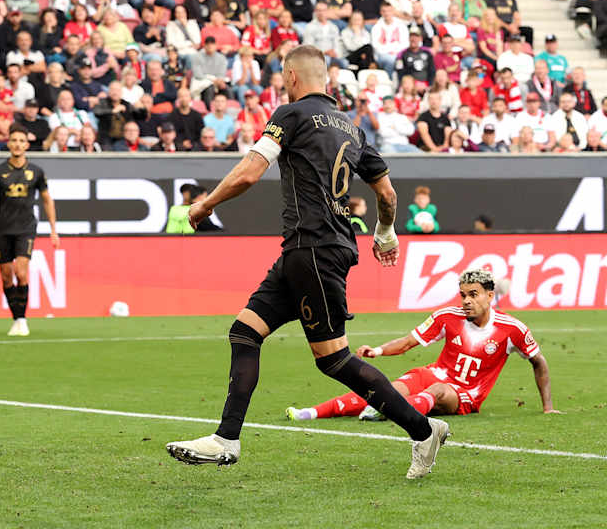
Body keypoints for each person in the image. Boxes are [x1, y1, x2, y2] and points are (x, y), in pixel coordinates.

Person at [164, 45, 449, 479]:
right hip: (310, 249)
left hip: (313, 249)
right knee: (245, 331)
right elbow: (387, 195)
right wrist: (385, 232)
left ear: (292, 77)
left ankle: (422, 429)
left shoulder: (290, 114)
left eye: (282, 76)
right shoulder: (354, 130)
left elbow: (247, 173)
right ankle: (226, 439)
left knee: (333, 359)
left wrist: (202, 208)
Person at [287, 269, 558, 421]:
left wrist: (547, 407)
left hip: (465, 394)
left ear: (490, 296)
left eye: (473, 295)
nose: (466, 301)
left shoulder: (513, 329)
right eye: (463, 294)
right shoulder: (446, 316)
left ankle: (387, 411)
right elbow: (407, 343)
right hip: (433, 375)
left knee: (438, 390)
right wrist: (379, 350)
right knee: (387, 388)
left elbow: (539, 361)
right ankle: (310, 413)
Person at [0, 125, 61, 336]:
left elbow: (47, 200)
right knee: (6, 276)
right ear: (8, 143)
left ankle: (22, 319)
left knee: (20, 272)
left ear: (26, 144)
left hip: (26, 228)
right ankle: (15, 318)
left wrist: (53, 229)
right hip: (3, 228)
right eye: (13, 140)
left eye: (21, 141)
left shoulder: (36, 171)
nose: (17, 144)